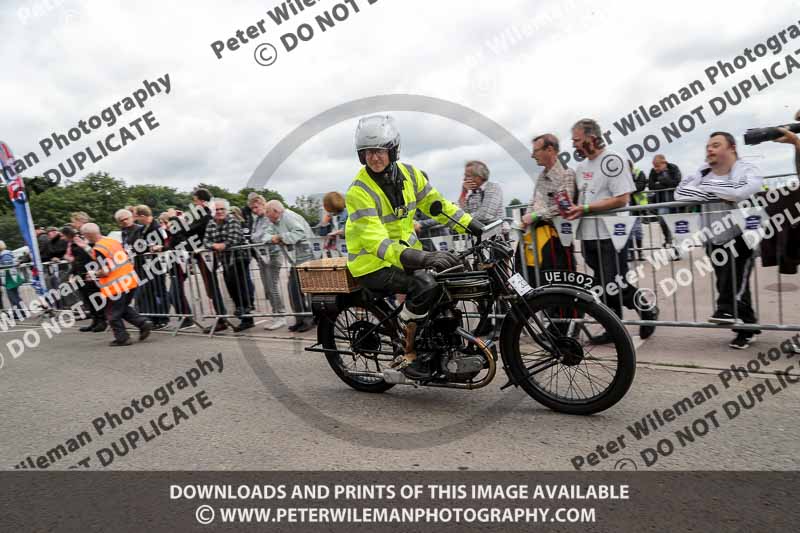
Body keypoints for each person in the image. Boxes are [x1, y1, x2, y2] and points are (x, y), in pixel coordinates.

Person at [345, 114, 482, 378]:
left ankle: (443, 343)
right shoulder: (358, 191)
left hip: (404, 255)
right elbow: (376, 242)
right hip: (372, 263)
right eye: (368, 152)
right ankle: (407, 351)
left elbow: (438, 206)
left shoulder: (410, 174)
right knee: (424, 285)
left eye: (380, 150)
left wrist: (474, 226)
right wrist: (423, 259)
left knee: (453, 274)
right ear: (361, 156)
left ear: (393, 150)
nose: (375, 157)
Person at [564, 118, 658, 341]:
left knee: (613, 283)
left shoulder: (613, 160)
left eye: (577, 140)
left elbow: (622, 199)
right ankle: (614, 328)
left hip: (612, 234)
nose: (574, 145)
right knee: (605, 285)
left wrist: (585, 208)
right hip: (588, 235)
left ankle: (646, 310)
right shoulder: (581, 167)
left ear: (592, 138)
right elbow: (580, 198)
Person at [674, 131, 763, 349]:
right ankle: (748, 327)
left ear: (731, 148)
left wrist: (705, 189)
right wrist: (716, 190)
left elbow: (741, 191)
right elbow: (679, 193)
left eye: (715, 145)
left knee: (734, 286)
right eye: (708, 146)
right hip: (713, 238)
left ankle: (726, 311)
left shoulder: (746, 168)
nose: (709, 150)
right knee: (727, 283)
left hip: (743, 236)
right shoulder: (702, 172)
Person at [77, 223, 152, 346]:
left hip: (115, 285)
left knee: (112, 313)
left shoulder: (99, 249)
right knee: (122, 308)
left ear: (87, 235)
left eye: (84, 235)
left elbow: (105, 271)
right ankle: (143, 323)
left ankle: (122, 338)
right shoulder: (111, 242)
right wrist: (86, 247)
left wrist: (93, 274)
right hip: (129, 279)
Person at [521, 133, 577, 281]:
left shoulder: (566, 173)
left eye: (535, 151)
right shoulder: (541, 176)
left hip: (557, 241)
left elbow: (564, 206)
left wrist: (535, 216)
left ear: (550, 150)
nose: (533, 155)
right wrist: (525, 219)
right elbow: (534, 201)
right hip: (537, 240)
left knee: (559, 285)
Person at [172, 188, 229, 332]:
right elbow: (187, 231)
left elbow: (189, 231)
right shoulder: (201, 216)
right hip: (202, 255)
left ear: (201, 201)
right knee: (210, 289)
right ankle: (220, 318)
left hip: (207, 256)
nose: (194, 203)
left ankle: (222, 319)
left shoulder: (205, 216)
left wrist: (176, 220)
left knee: (212, 288)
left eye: (195, 200)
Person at [264, 199, 317, 333]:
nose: (266, 215)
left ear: (276, 211)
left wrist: (280, 237)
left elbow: (300, 232)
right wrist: (273, 238)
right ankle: (301, 319)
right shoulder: (276, 221)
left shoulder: (288, 217)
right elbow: (265, 236)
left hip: (307, 258)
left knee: (305, 289)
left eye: (268, 212)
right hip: (296, 260)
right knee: (293, 290)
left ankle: (309, 319)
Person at [204, 198, 255, 332]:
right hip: (226, 261)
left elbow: (233, 240)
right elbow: (206, 241)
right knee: (232, 289)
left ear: (226, 210)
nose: (219, 211)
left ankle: (247, 319)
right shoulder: (211, 223)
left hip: (240, 258)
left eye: (222, 209)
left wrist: (222, 245)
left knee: (241, 288)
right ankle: (244, 315)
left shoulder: (233, 221)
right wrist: (215, 245)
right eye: (217, 209)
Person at [248, 194, 288, 330]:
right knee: (268, 288)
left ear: (262, 204)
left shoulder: (268, 217)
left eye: (256, 207)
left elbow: (261, 236)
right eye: (252, 208)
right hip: (262, 255)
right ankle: (276, 314)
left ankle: (281, 315)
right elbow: (254, 236)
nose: (254, 210)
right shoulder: (257, 220)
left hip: (273, 255)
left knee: (273, 286)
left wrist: (259, 238)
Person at [62, 226, 107, 332]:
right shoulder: (72, 244)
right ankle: (94, 320)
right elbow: (76, 260)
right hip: (80, 274)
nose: (63, 238)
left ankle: (102, 321)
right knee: (86, 299)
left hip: (90, 273)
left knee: (94, 298)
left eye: (64, 236)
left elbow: (93, 255)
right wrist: (72, 273)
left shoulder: (84, 242)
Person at [133, 205, 170, 329]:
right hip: (146, 265)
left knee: (160, 291)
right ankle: (154, 317)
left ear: (142, 216)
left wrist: (153, 247)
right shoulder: (142, 229)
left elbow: (163, 244)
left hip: (158, 263)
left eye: (137, 217)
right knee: (150, 292)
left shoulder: (157, 227)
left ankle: (163, 317)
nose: (136, 219)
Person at [648, 155, 683, 246]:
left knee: (675, 223)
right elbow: (651, 186)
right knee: (662, 221)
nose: (655, 168)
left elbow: (677, 182)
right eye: (654, 166)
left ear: (664, 163)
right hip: (662, 202)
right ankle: (668, 239)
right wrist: (666, 184)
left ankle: (677, 243)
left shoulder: (674, 168)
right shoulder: (653, 171)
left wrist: (661, 181)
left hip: (675, 202)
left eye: (657, 166)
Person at [0, 241, 25, 320]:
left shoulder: (4, 254)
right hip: (10, 277)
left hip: (10, 278)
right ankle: (21, 312)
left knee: (12, 297)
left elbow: (7, 264)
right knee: (15, 296)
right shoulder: (6, 253)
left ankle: (18, 313)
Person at [319, 191, 348, 256]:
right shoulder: (329, 216)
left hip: (346, 248)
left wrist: (337, 232)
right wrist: (324, 223)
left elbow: (350, 230)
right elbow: (322, 234)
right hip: (334, 250)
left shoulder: (347, 213)